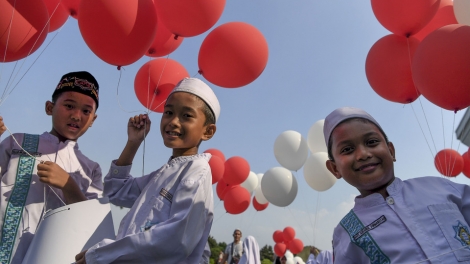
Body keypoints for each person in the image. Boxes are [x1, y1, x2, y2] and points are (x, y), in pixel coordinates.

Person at [75, 77, 219, 263]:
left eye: (186, 116)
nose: (173, 121)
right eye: (168, 112)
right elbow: (116, 191)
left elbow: (176, 240)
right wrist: (133, 143)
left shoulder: (196, 171)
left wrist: (102, 254)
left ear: (207, 131)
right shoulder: (165, 173)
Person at [324, 107, 470, 263]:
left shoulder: (440, 187)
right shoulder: (346, 233)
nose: (363, 154)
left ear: (391, 151)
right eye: (347, 149)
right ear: (334, 169)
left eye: (372, 142)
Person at [0, 71, 103, 264]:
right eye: (69, 106)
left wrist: (68, 184)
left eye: (86, 111)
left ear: (93, 120)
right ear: (50, 107)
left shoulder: (91, 169)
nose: (76, 115)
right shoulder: (18, 142)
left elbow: (91, 223)